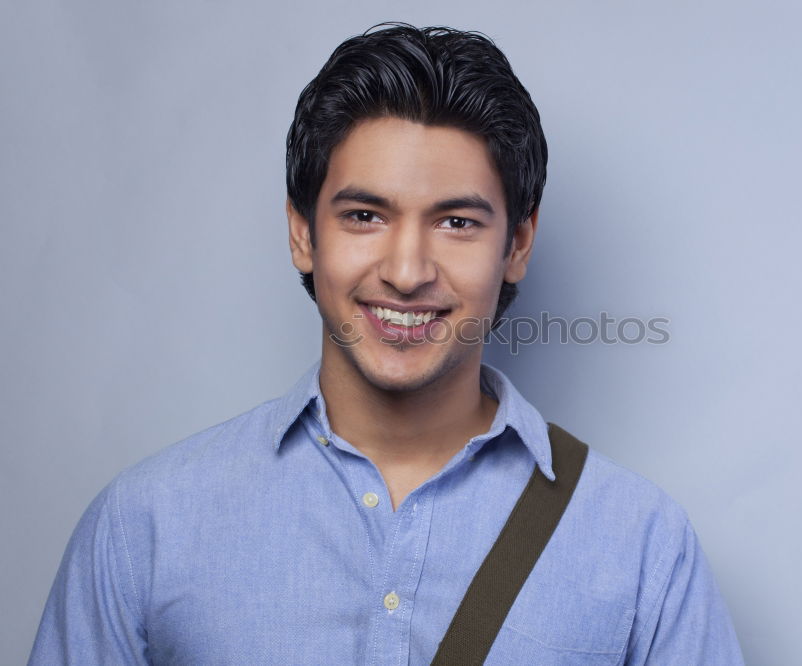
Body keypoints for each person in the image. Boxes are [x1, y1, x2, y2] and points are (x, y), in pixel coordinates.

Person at [29, 23, 744, 664]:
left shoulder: (642, 544)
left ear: (518, 245)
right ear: (303, 233)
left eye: (457, 223)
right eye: (366, 215)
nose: (406, 273)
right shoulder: (146, 525)